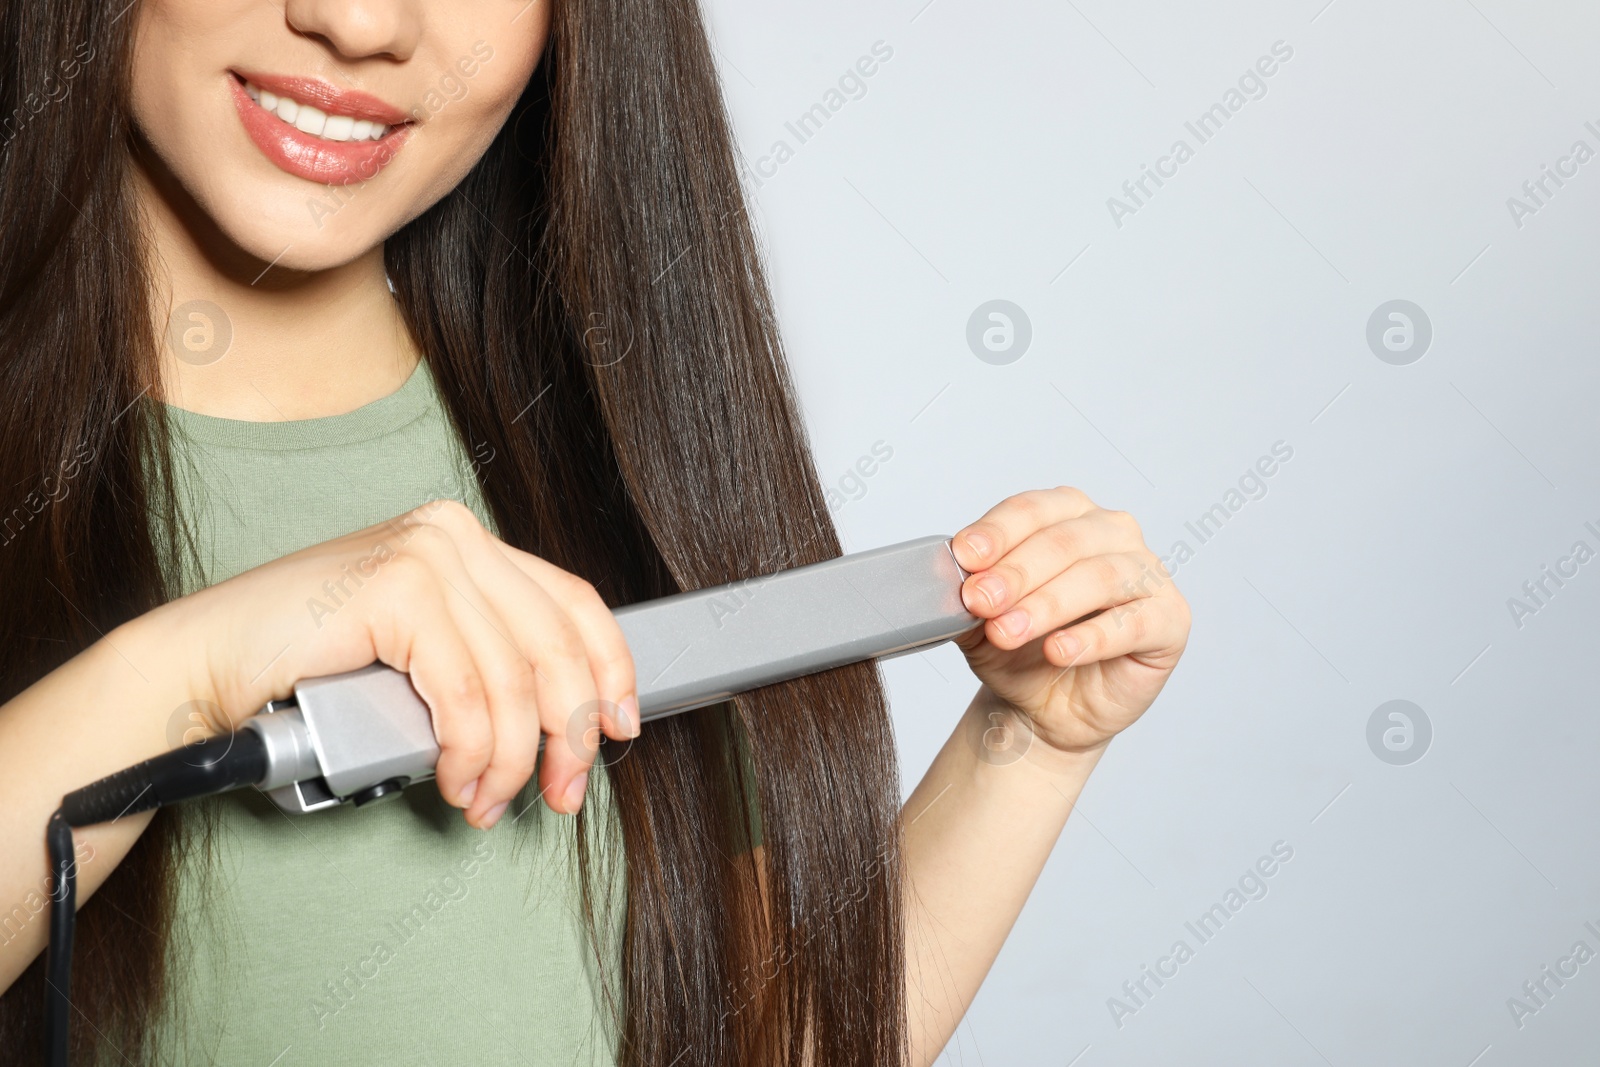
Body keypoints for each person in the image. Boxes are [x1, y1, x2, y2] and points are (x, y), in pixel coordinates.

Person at [0, 0, 1192, 1063]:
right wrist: (197, 667)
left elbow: (754, 1041)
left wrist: (1029, 741)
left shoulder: (599, 462)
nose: (363, 23)